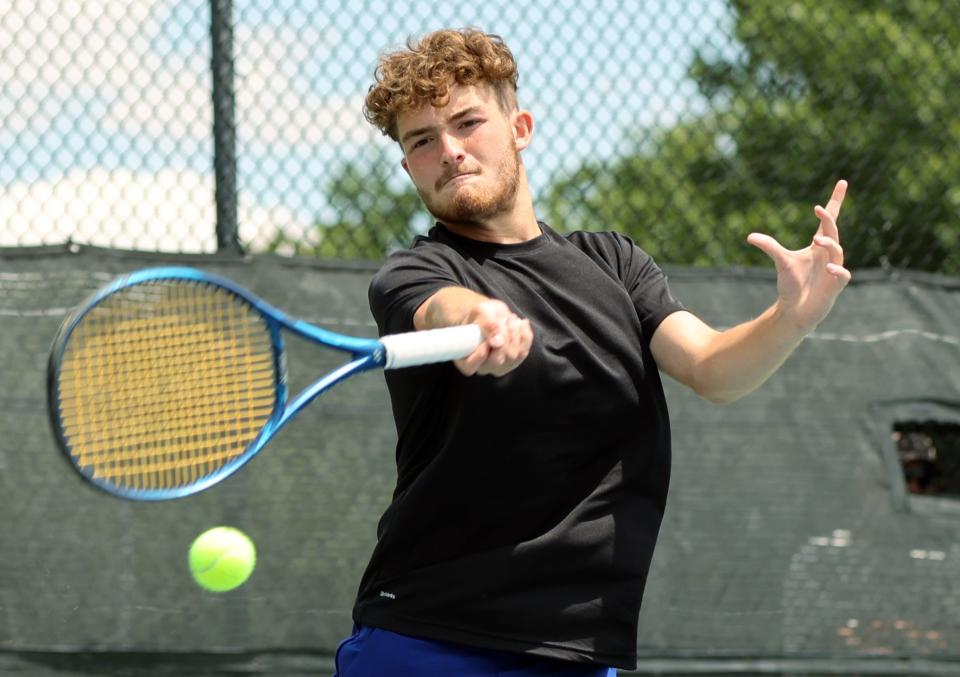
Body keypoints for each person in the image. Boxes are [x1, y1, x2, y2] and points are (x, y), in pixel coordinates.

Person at [333, 28, 851, 676]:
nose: (451, 150)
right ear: (409, 165)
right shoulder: (413, 271)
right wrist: (479, 318)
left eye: (468, 123)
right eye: (423, 140)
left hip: (579, 653)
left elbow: (713, 368)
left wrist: (791, 317)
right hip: (426, 642)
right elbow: (441, 307)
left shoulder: (615, 263)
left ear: (519, 126)